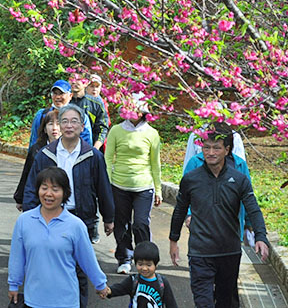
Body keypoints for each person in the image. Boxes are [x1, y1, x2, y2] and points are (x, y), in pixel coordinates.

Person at [169, 122, 270, 308]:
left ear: (227, 150)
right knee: (203, 303)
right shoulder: (191, 179)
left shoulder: (239, 179)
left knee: (226, 302)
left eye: (216, 148)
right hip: (200, 252)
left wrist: (260, 237)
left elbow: (253, 208)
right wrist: (173, 240)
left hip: (229, 252)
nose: (211, 152)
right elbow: (180, 209)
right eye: (206, 148)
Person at [23, 104, 114, 307]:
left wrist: (109, 218)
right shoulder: (46, 155)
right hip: (48, 217)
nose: (69, 125)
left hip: (81, 218)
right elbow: (31, 187)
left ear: (82, 127)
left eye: (74, 121)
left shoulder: (93, 156)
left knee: (80, 269)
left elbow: (103, 189)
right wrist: (31, 217)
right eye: (64, 121)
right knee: (50, 266)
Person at [9, 167, 110, 308]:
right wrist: (14, 284)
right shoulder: (24, 221)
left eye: (55, 189)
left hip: (66, 300)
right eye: (44, 188)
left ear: (64, 193)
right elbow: (17, 257)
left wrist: (100, 284)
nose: (48, 194)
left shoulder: (75, 225)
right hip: (34, 299)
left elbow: (87, 259)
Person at [105, 94, 161, 275]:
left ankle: (146, 259)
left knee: (140, 224)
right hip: (119, 184)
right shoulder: (115, 130)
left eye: (136, 109)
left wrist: (158, 189)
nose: (132, 113)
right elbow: (108, 158)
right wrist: (107, 185)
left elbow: (155, 163)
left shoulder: (152, 133)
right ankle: (124, 258)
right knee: (121, 224)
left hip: (144, 186)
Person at [103, 241, 178, 307]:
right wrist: (107, 291)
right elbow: (120, 288)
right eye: (140, 264)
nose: (144, 268)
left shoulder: (162, 283)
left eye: (149, 265)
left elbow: (171, 303)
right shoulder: (133, 280)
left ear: (156, 265)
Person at [13, 108, 60, 211]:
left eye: (58, 124)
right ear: (44, 128)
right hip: (38, 199)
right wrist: (20, 198)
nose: (54, 128)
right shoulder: (37, 149)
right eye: (50, 124)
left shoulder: (69, 150)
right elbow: (27, 173)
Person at [28, 79, 93, 149]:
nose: (58, 97)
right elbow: (34, 141)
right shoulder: (42, 115)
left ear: (70, 96)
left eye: (61, 93)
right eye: (55, 93)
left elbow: (86, 144)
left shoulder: (81, 117)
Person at [70, 75, 110, 150]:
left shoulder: (97, 103)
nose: (74, 82)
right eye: (72, 78)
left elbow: (103, 128)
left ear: (85, 83)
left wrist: (95, 148)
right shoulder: (65, 101)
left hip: (91, 147)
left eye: (78, 79)